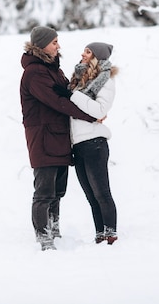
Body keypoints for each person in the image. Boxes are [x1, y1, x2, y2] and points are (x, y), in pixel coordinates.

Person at [20, 26, 98, 251]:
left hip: (59, 138)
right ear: (41, 45)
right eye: (54, 42)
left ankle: (55, 233)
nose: (58, 46)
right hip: (43, 138)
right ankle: (44, 238)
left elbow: (68, 91)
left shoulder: (53, 69)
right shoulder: (35, 73)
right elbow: (57, 101)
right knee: (44, 192)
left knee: (57, 192)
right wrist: (90, 116)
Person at [53, 42, 119, 245]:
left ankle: (111, 234)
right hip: (78, 144)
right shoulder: (78, 80)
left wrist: (72, 95)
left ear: (96, 57)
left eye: (88, 51)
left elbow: (99, 111)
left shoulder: (106, 81)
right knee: (91, 196)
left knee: (101, 193)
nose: (83, 53)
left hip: (94, 143)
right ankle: (100, 235)